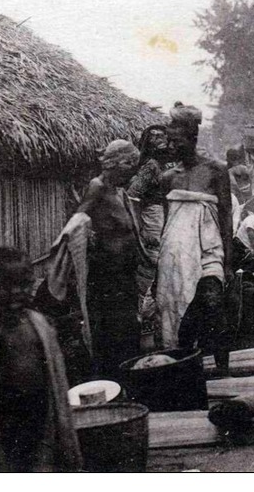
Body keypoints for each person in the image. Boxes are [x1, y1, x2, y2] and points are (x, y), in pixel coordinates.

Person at [0, 248, 81, 472]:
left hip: (40, 428)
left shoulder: (39, 327)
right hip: (0, 432)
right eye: (5, 286)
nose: (15, 293)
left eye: (23, 284)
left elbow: (54, 384)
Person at [157, 103, 237, 376]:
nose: (172, 146)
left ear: (192, 138)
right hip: (177, 253)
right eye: (170, 141)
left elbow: (225, 215)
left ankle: (223, 368)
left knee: (213, 301)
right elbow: (170, 223)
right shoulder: (168, 178)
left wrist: (228, 259)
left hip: (209, 249)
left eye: (177, 141)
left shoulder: (216, 170)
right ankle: (184, 370)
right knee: (180, 307)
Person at [76, 139, 142, 376]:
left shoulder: (119, 192)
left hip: (124, 274)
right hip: (107, 275)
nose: (132, 173)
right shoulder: (98, 187)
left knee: (128, 330)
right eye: (130, 167)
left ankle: (126, 380)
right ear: (119, 164)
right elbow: (78, 221)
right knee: (113, 333)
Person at [127, 123, 175, 343]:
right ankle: (146, 323)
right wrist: (138, 228)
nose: (159, 141)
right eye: (154, 138)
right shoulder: (151, 166)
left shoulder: (167, 165)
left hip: (165, 216)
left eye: (162, 137)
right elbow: (133, 194)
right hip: (154, 217)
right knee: (154, 268)